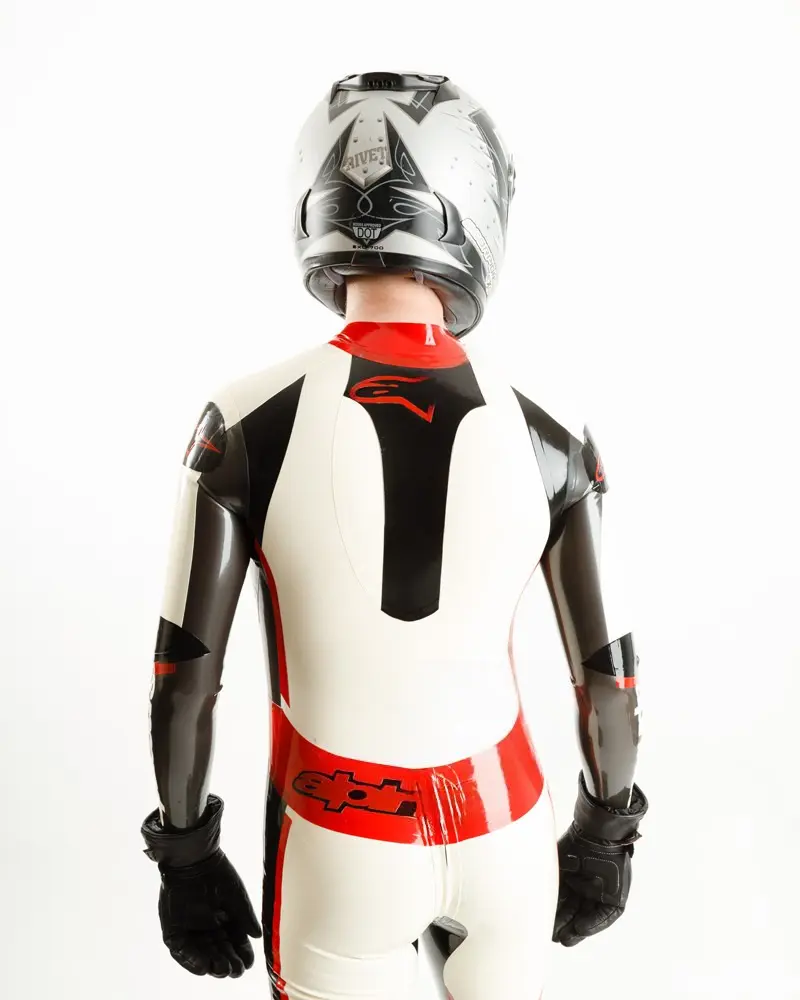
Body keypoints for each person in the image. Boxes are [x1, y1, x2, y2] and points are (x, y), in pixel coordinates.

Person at [140, 72, 648, 999]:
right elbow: (608, 677)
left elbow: (184, 680)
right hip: (506, 824)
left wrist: (185, 852)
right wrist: (608, 832)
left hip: (339, 834)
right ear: (475, 203)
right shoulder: (554, 430)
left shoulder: (241, 420)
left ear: (317, 202)